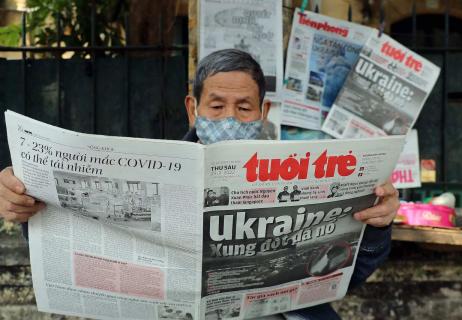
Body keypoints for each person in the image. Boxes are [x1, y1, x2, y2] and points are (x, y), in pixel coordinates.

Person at [0, 49, 400, 320]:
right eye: (216, 105)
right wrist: (24, 201)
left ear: (263, 112)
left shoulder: (308, 171)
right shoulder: (154, 172)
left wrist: (379, 224)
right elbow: (75, 233)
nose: (229, 117)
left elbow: (353, 270)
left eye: (244, 108)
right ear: (193, 108)